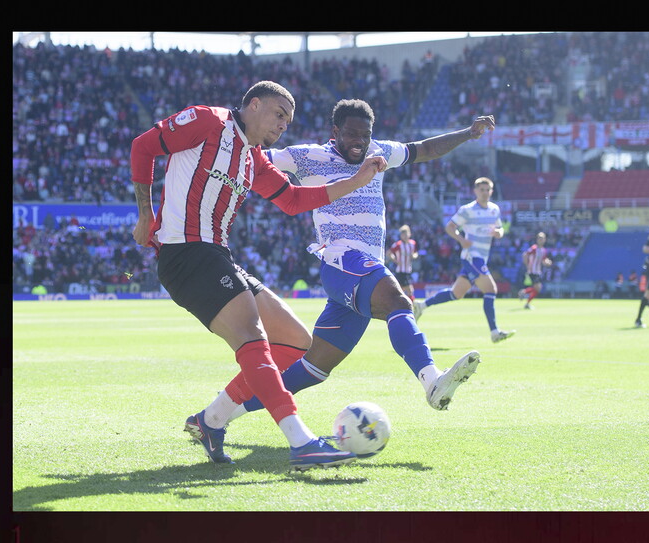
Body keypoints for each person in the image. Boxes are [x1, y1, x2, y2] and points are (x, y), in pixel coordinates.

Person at [130, 81, 388, 471]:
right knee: (253, 337)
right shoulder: (206, 121)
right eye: (279, 114)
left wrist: (355, 181)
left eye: (289, 120)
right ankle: (301, 442)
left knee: (295, 342)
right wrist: (146, 214)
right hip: (186, 253)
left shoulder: (254, 158)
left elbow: (292, 200)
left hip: (217, 256)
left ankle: (211, 420)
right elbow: (142, 146)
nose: (284, 125)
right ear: (253, 105)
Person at [200, 99, 495, 439]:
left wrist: (468, 133)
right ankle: (431, 381)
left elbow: (424, 149)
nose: (359, 142)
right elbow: (252, 158)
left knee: (312, 369)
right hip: (341, 259)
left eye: (365, 135)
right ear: (335, 132)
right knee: (399, 302)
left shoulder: (378, 150)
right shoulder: (306, 156)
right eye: (352, 134)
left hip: (365, 268)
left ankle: (213, 418)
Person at [413, 177, 515, 343]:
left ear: (492, 191)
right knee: (491, 290)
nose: (485, 193)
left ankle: (421, 305)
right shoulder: (467, 210)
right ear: (475, 191)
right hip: (472, 256)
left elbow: (500, 228)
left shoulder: (494, 209)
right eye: (481, 190)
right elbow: (450, 227)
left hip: (482, 256)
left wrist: (499, 233)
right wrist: (461, 240)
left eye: (487, 190)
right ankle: (495, 332)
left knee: (456, 293)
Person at [520, 231, 552, 309]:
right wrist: (527, 264)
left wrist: (547, 262)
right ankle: (526, 298)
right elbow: (525, 254)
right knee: (538, 288)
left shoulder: (543, 250)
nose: (541, 240)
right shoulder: (534, 248)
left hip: (538, 271)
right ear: (537, 239)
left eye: (543, 238)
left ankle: (524, 293)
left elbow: (543, 260)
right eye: (540, 238)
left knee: (537, 289)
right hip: (533, 271)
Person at [388, 224, 419, 301]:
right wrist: (395, 260)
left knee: (401, 290)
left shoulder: (412, 244)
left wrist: (414, 256)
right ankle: (412, 306)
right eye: (403, 234)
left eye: (406, 234)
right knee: (409, 290)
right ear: (401, 235)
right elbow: (389, 253)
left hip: (408, 270)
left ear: (409, 234)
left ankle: (397, 304)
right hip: (400, 271)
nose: (405, 236)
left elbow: (415, 253)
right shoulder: (398, 245)